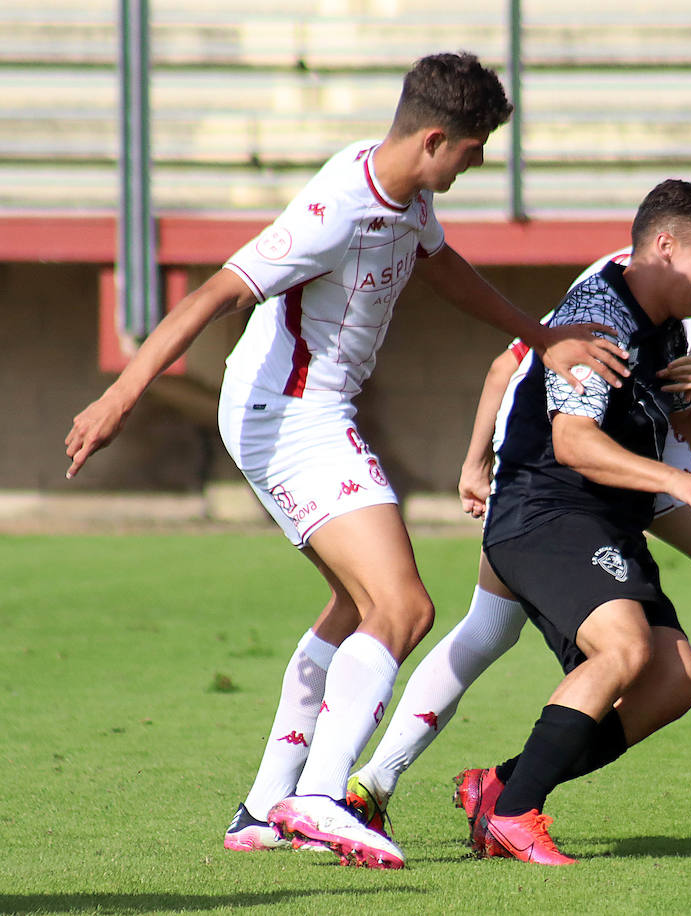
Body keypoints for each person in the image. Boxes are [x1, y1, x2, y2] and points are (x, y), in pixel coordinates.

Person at [63, 52, 627, 869]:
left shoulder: (410, 195)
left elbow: (447, 272)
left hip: (312, 414)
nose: (477, 162)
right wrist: (121, 395)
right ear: (435, 139)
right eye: (472, 148)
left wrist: (544, 339)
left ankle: (261, 806)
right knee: (403, 609)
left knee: (355, 608)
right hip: (288, 417)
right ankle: (321, 797)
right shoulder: (335, 206)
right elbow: (216, 292)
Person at [344, 197, 691, 845]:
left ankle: (383, 781)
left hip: (596, 468)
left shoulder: (685, 306)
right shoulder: (621, 293)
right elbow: (514, 365)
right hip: (558, 477)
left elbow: (668, 418)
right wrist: (477, 458)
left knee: (505, 633)